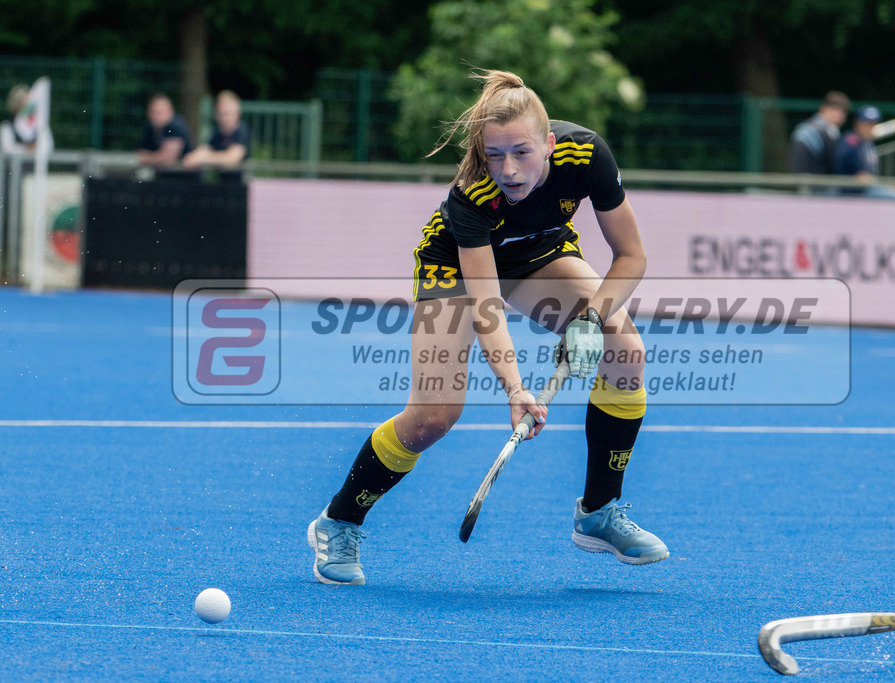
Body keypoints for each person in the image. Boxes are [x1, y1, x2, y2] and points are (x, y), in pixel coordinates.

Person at [306, 70, 669, 585]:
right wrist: (516, 389)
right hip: (453, 267)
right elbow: (487, 306)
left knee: (624, 350)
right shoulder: (472, 195)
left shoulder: (585, 155)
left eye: (521, 152)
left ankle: (598, 513)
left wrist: (590, 318)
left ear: (548, 142)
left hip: (540, 252)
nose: (509, 169)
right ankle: (339, 520)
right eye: (495, 154)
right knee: (433, 416)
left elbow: (631, 256)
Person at [834, 106, 895, 200]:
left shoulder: (867, 142)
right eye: (867, 124)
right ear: (857, 123)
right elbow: (861, 177)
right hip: (853, 192)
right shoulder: (851, 142)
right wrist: (889, 188)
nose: (871, 128)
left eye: (874, 124)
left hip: (866, 188)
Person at [789, 91, 851, 183]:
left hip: (802, 181)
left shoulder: (805, 127)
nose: (840, 116)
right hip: (815, 184)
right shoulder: (828, 131)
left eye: (842, 112)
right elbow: (833, 162)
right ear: (824, 109)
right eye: (835, 110)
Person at [182, 90, 250, 170]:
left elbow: (232, 159)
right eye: (221, 113)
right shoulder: (216, 131)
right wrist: (192, 157)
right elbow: (204, 149)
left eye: (227, 113)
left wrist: (204, 159)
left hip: (239, 180)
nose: (225, 118)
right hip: (220, 179)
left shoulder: (242, 131)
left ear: (238, 113)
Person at [136, 93, 194, 168]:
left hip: (184, 175)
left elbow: (168, 159)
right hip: (163, 173)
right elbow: (141, 154)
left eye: (160, 112)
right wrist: (158, 156)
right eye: (153, 112)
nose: (156, 116)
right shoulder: (149, 128)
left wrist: (150, 157)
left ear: (170, 112)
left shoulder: (175, 126)